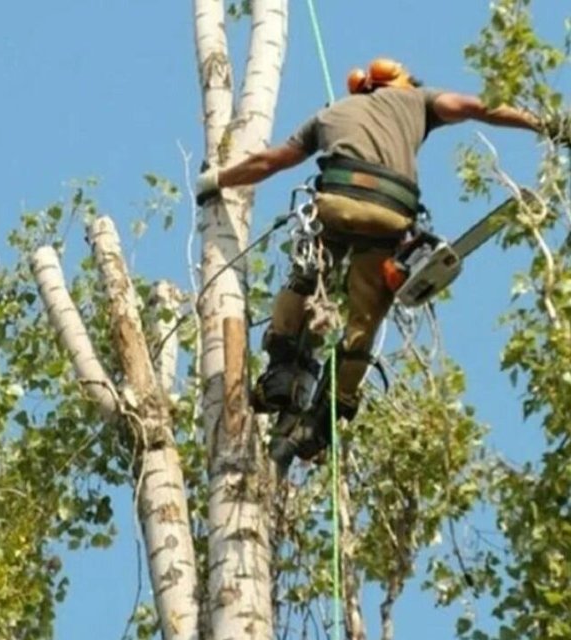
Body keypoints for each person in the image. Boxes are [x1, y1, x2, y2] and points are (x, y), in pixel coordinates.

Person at [196, 57, 551, 465]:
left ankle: (281, 376)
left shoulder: (330, 112)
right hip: (389, 215)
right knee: (364, 320)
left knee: (305, 280)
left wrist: (216, 180)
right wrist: (545, 123)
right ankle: (322, 421)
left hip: (335, 205)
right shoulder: (419, 97)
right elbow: (480, 108)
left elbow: (269, 161)